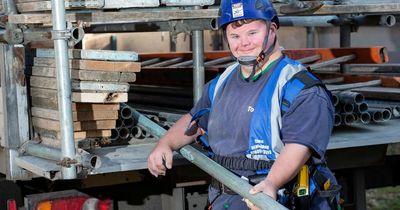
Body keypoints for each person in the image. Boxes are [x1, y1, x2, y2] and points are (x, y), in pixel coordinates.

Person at [147, 0, 341, 209]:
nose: (244, 43)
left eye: (252, 33)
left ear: (272, 29)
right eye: (235, 36)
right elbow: (196, 120)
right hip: (225, 198)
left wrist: (271, 184)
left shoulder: (300, 88)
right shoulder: (223, 81)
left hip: (273, 198)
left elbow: (299, 147)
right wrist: (165, 144)